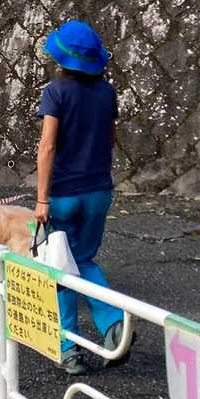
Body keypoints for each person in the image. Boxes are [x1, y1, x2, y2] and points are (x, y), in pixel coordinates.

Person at [33, 20, 129, 376]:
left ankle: (69, 348)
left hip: (63, 195)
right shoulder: (107, 93)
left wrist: (42, 199)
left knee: (60, 267)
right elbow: (110, 139)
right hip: (98, 192)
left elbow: (47, 146)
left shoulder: (55, 92)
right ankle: (113, 324)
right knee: (83, 259)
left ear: (62, 58)